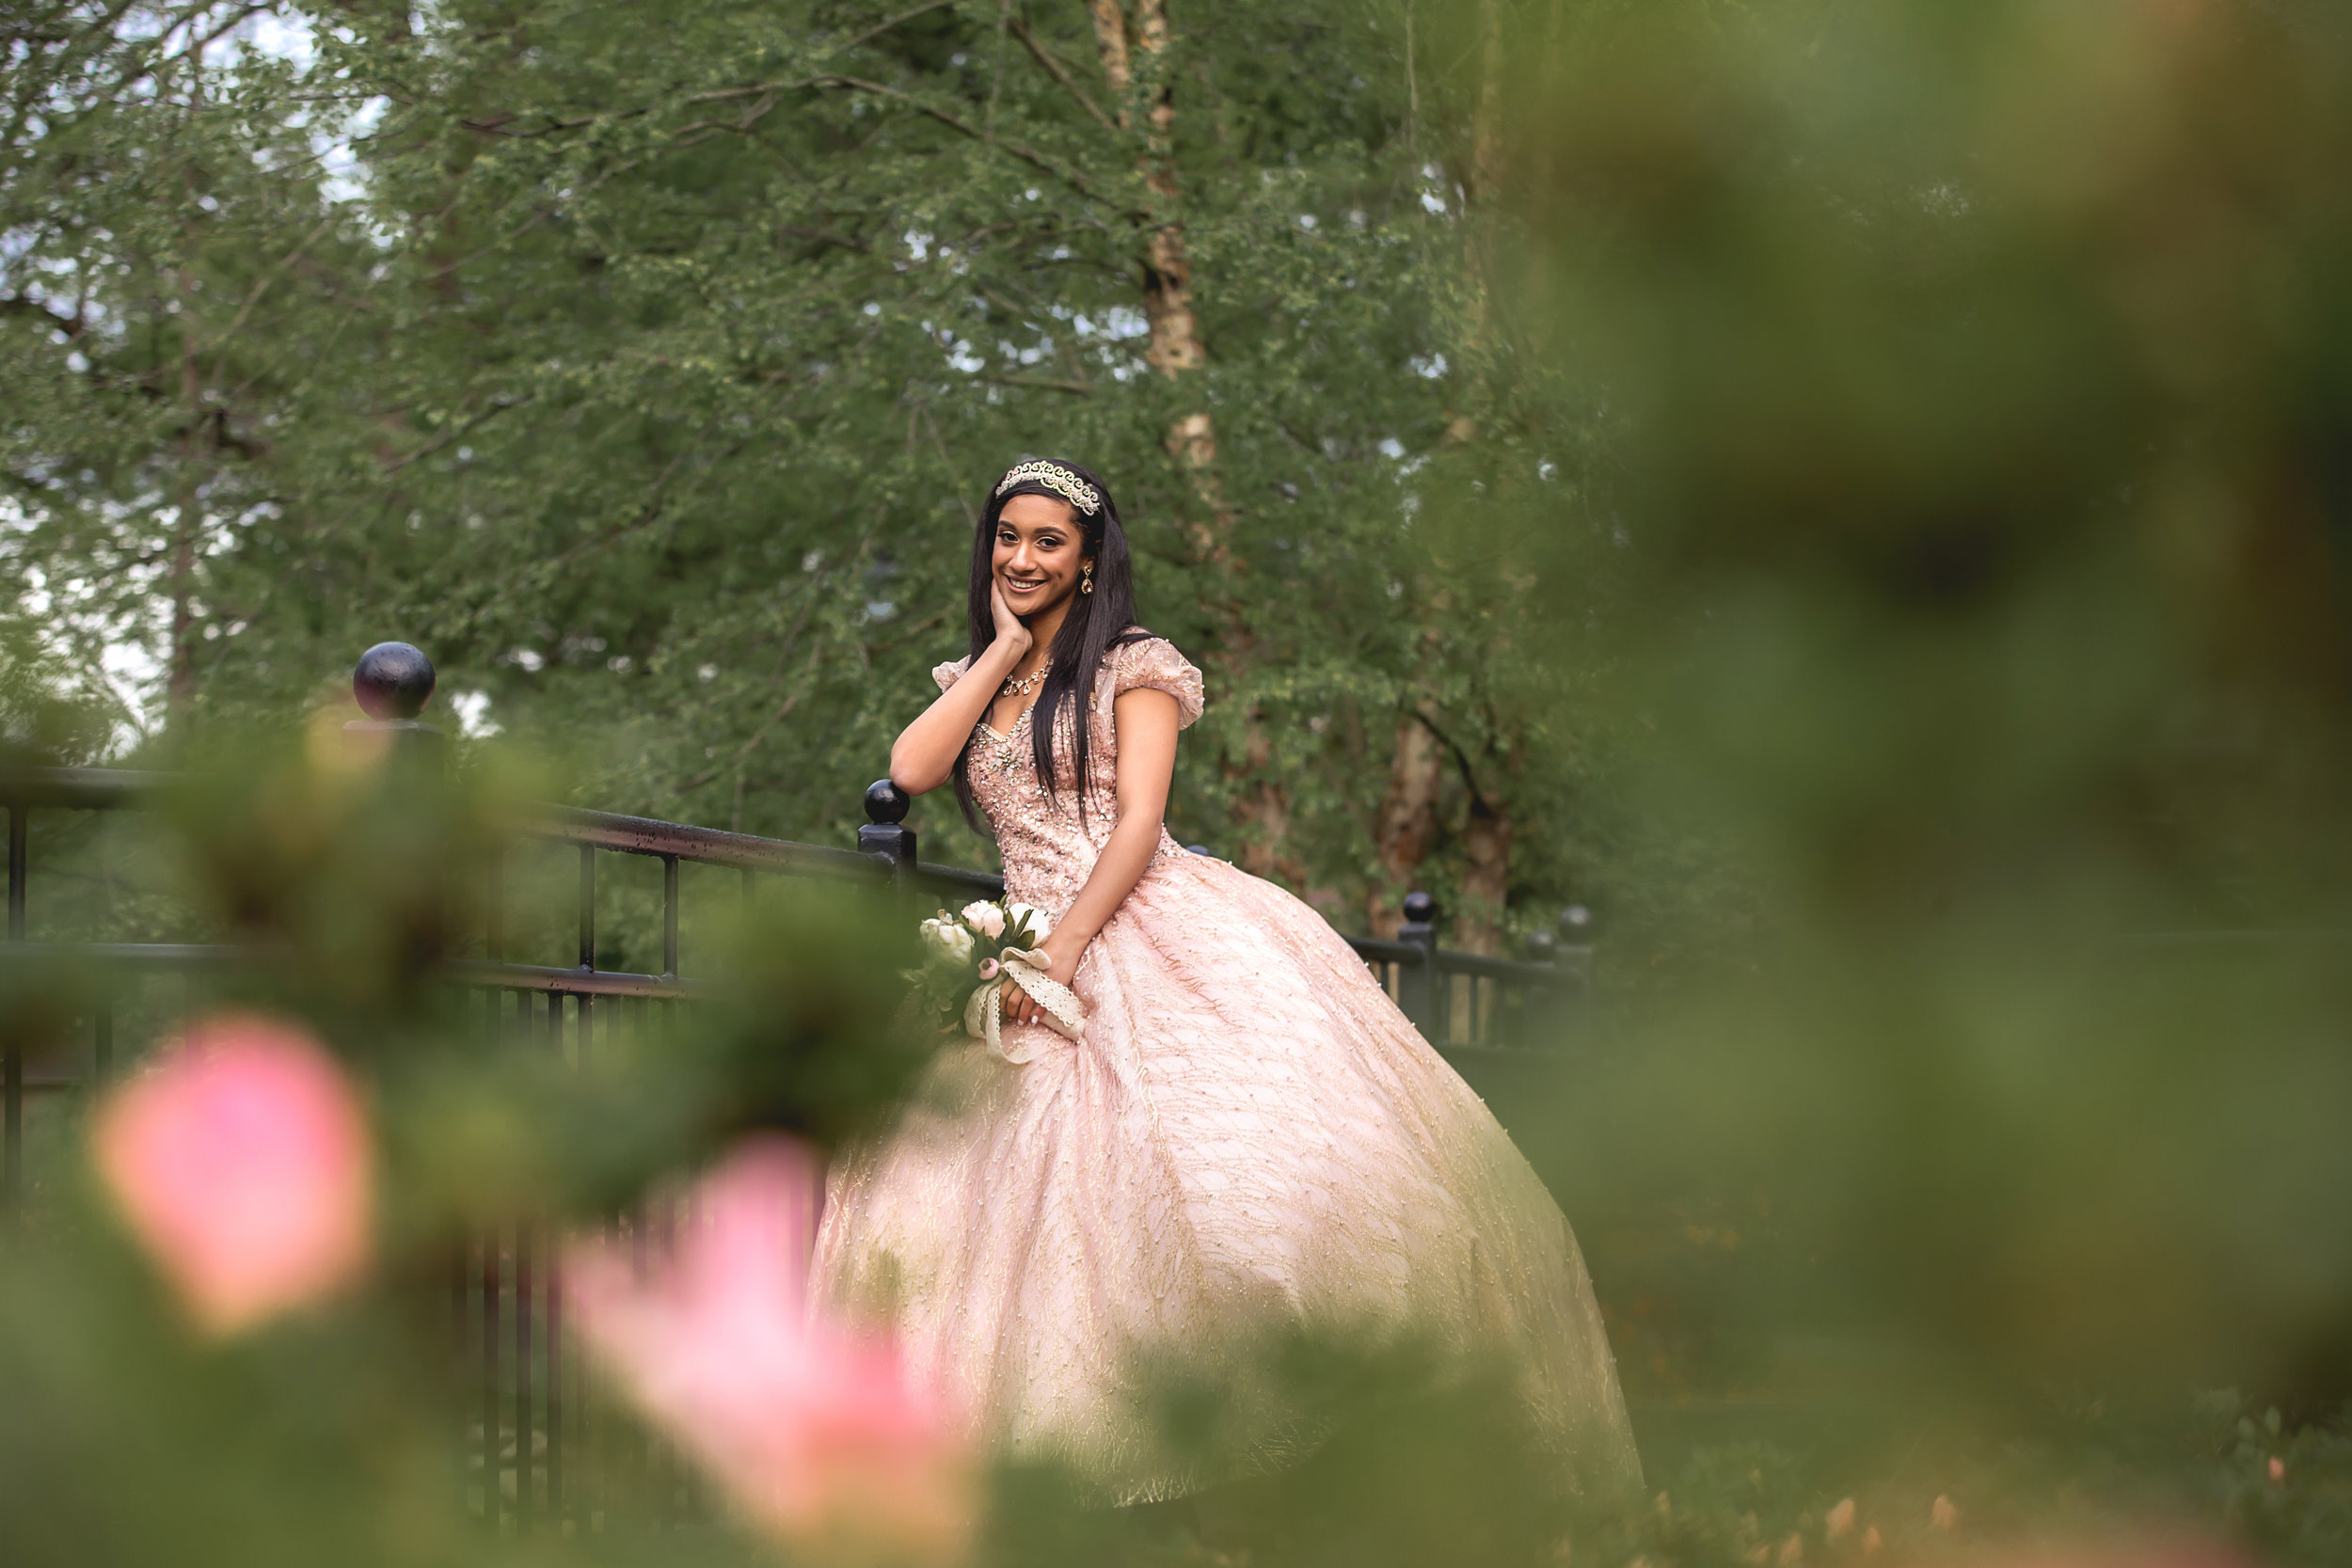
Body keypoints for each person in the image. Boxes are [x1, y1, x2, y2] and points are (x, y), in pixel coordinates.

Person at [813, 459, 1639, 1503]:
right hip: (1016, 929)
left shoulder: (1136, 666)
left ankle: (1265, 1457)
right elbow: (914, 767)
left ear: (1087, 558)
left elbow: (1139, 821)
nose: (1021, 557)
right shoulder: (985, 669)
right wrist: (1006, 648)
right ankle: (1017, 1466)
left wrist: (1062, 948)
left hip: (1132, 919)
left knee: (1224, 1185)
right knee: (985, 1202)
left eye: (1047, 542)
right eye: (1006, 538)